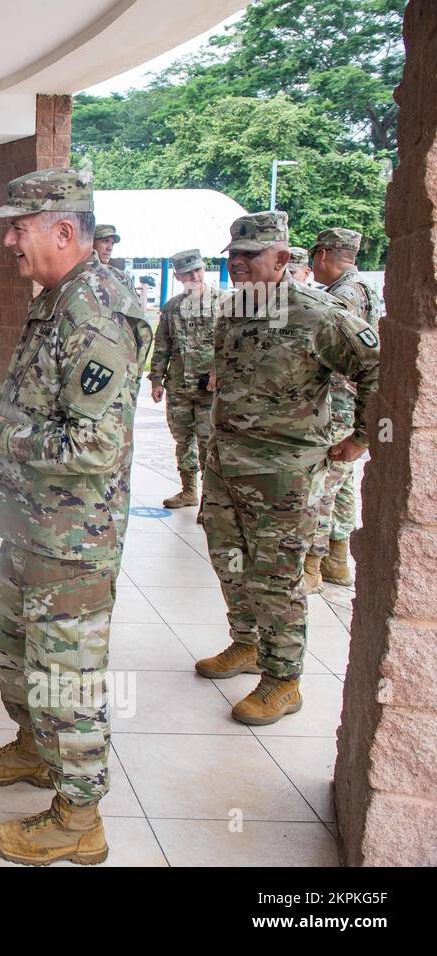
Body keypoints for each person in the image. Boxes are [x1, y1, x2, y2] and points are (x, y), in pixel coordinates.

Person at [0, 168, 149, 866]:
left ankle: (79, 817)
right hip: (31, 525)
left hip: (73, 540)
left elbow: (95, 445)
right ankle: (38, 750)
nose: (9, 239)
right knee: (15, 647)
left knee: (66, 676)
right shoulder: (57, 298)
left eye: (19, 226)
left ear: (65, 230)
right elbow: (48, 407)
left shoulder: (96, 310)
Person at [197, 212, 379, 725]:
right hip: (226, 465)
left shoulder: (321, 313)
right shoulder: (234, 310)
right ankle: (247, 643)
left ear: (281, 258)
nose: (236, 265)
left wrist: (360, 438)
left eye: (248, 256)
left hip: (285, 473)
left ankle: (283, 680)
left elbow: (377, 369)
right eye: (231, 256)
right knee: (229, 560)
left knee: (276, 577)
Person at [305, 227, 382, 589]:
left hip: (336, 402)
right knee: (343, 480)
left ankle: (313, 565)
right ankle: (337, 559)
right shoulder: (366, 288)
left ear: (321, 255)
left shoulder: (341, 298)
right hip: (350, 403)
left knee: (322, 484)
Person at [148, 249, 219, 515]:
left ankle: (209, 501)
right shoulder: (172, 307)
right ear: (178, 276)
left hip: (208, 390)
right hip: (178, 385)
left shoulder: (223, 303)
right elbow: (162, 345)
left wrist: (218, 371)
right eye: (188, 273)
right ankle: (189, 490)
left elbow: (232, 347)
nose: (195, 276)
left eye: (198, 270)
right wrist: (157, 379)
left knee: (208, 442)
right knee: (182, 439)